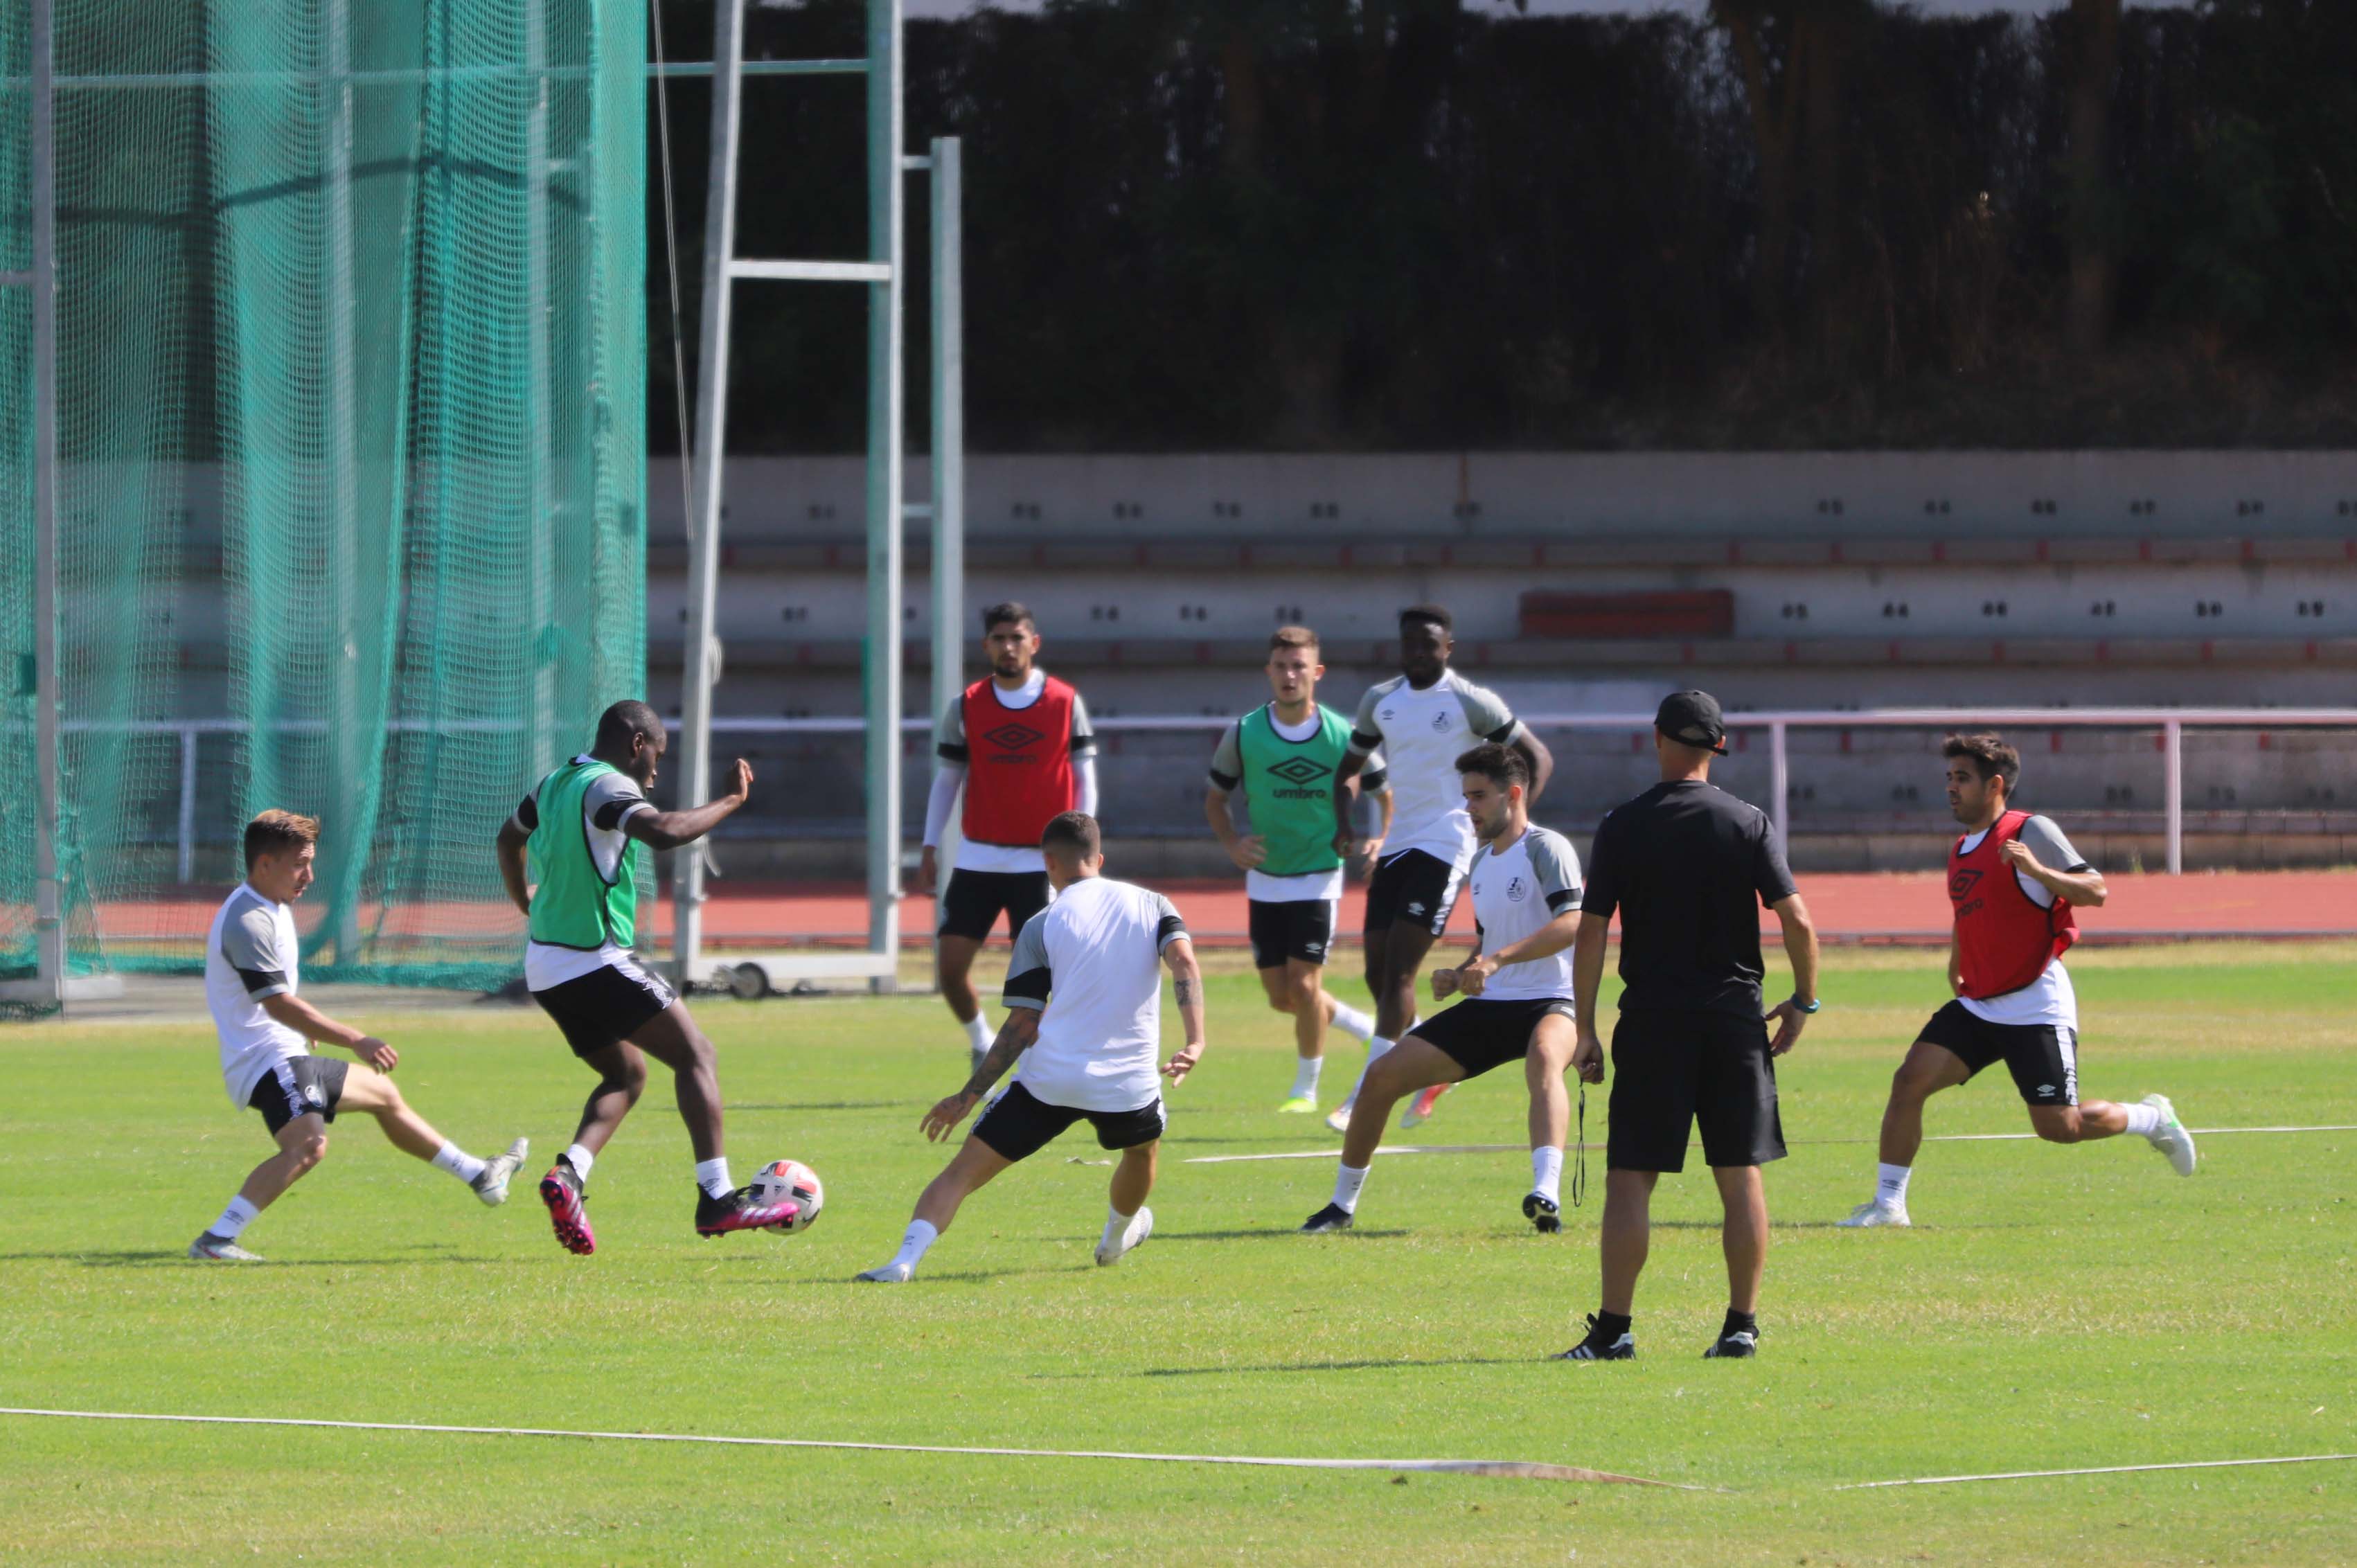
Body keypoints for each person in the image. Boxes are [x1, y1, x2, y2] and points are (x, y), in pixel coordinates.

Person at [1837, 733, 2195, 1229]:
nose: (1951, 788)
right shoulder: (1962, 847)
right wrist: (1956, 960)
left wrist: (2037, 868)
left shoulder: (2030, 830)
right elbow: (1968, 914)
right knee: (1907, 1083)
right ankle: (1888, 1206)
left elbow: (2096, 891)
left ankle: (2152, 1118)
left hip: (2033, 1004)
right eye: (1949, 778)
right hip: (1979, 1004)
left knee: (2059, 1128)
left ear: (1995, 785)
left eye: (1962, 778)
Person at [1557, 691, 1819, 1362]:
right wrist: (1803, 1001)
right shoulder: (1747, 820)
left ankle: (1614, 1330)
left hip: (1652, 1022)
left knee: (1631, 1178)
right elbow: (1798, 921)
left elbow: (1591, 932)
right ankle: (1740, 1325)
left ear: (1658, 739)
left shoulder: (1623, 824)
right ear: (1714, 748)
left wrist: (1583, 1028)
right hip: (1734, 1021)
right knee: (1740, 1175)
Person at [495, 700, 800, 1255]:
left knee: (625, 1076)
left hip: (545, 966)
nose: (657, 771)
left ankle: (568, 1176)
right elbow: (662, 831)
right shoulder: (606, 787)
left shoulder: (555, 782)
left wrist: (524, 902)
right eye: (657, 756)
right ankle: (718, 1199)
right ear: (637, 744)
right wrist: (732, 799)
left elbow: (507, 839)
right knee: (697, 1055)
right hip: (594, 958)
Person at [858, 812, 1205, 1283]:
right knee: (1141, 1153)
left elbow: (1022, 1022)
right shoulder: (1153, 904)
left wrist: (968, 1096)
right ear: (1099, 859)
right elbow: (1183, 960)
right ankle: (1114, 1237)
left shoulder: (1040, 924)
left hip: (1049, 1082)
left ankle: (903, 1262)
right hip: (1125, 1085)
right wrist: (1195, 1039)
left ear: (1048, 864)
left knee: (960, 1174)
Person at [188, 810, 528, 1261]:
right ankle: (216, 1240)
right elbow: (277, 1004)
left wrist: (301, 1031)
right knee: (308, 1146)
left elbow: (276, 1001)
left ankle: (480, 1175)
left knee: (383, 1095)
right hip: (264, 1061)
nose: (308, 875)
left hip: (281, 1052)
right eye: (298, 865)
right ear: (264, 864)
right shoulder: (248, 920)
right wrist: (354, 1039)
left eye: (310, 862)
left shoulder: (272, 905)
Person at [1300, 743, 1584, 1235]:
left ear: (1512, 794)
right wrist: (1459, 972)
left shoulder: (1545, 847)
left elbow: (1573, 923)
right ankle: (1340, 1207)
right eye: (1465, 797)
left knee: (1543, 1060)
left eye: (1477, 797)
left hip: (1552, 1000)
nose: (1467, 808)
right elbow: (1488, 942)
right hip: (1493, 1003)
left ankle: (1546, 1195)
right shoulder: (1481, 862)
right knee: (1380, 1079)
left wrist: (1495, 960)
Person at [1324, 605, 1553, 1135]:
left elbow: (1537, 757)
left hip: (1447, 843)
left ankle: (1363, 1092)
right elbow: (1347, 771)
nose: (1419, 654)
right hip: (1399, 844)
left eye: (1429, 645)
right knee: (1377, 975)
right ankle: (1430, 1067)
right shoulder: (1380, 701)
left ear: (1447, 649)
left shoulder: (1469, 700)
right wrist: (1343, 823)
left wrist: (1513, 824)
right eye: (1410, 644)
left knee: (1401, 974)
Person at [1205, 625, 1388, 1112]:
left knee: (1305, 986)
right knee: (1282, 997)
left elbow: (1383, 791)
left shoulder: (1342, 735)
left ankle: (1305, 1089)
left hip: (1319, 874)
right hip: (1265, 877)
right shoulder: (1245, 732)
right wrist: (1231, 843)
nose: (1289, 675)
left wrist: (1379, 837)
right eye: (1281, 666)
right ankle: (1362, 1027)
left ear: (1316, 672)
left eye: (1299, 666)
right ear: (1269, 671)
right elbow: (1215, 799)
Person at [920, 603, 1101, 1072]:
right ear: (986, 646)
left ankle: (1047, 1060)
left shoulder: (1063, 701)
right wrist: (930, 845)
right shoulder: (966, 705)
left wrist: (1084, 845)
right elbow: (947, 780)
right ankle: (982, 1042)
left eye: (1017, 638)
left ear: (1033, 643)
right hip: (978, 857)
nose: (1008, 646)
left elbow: (1085, 776)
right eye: (999, 638)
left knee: (1040, 977)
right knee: (949, 968)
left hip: (1041, 863)